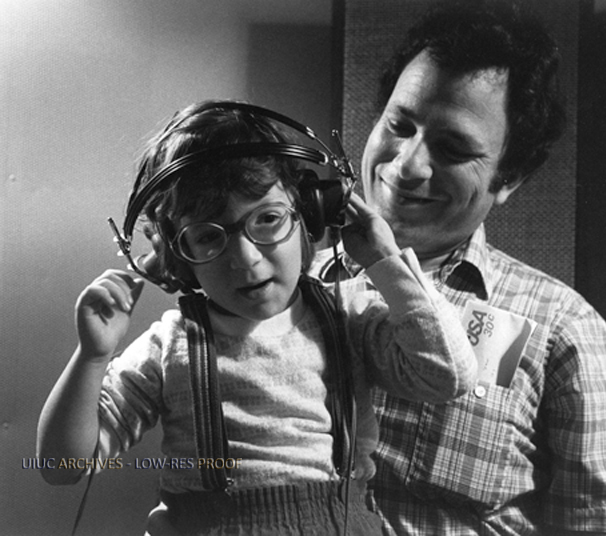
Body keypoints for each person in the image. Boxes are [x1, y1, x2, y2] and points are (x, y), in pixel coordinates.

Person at [36, 100, 477, 535]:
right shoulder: (168, 348)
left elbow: (447, 375)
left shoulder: (349, 318)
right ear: (179, 255)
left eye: (267, 219)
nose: (245, 258)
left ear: (310, 216)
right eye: (208, 236)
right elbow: (62, 465)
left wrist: (385, 259)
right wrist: (93, 357)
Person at [311, 1, 606, 534]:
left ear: (509, 177)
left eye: (453, 149)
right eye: (399, 125)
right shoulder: (288, 290)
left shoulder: (561, 328)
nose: (406, 165)